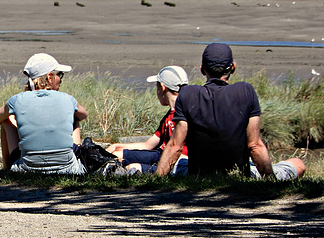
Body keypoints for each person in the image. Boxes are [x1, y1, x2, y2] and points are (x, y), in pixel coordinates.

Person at [156, 43, 306, 180]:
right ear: (233, 67)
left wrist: (158, 180)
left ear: (202, 69)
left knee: (181, 162)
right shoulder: (245, 92)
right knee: (298, 163)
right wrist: (269, 179)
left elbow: (175, 146)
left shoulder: (188, 94)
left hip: (199, 174)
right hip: (239, 174)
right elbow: (254, 145)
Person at [0, 53, 88, 174]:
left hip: (28, 169)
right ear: (49, 77)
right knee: (75, 118)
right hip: (68, 170)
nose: (61, 80)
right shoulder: (68, 99)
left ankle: (7, 169)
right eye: (59, 75)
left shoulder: (17, 99)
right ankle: (73, 157)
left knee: (6, 121)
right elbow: (83, 115)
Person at [106, 66, 189, 174]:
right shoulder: (169, 115)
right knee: (116, 154)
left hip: (177, 161)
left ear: (162, 87)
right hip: (160, 154)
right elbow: (148, 145)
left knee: (133, 167)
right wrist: (117, 146)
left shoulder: (183, 114)